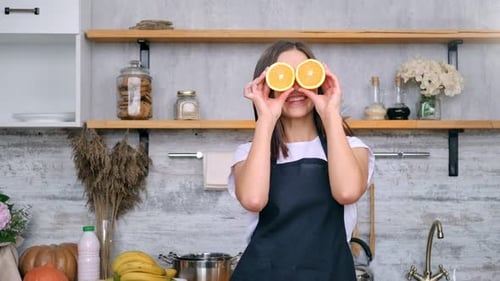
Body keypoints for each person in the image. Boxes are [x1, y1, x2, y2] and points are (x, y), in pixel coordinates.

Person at [227, 40, 375, 281]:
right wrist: (266, 116)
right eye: (284, 77)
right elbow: (254, 200)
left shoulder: (351, 148)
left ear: (318, 82)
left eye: (304, 76)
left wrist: (330, 112)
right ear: (268, 85)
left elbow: (347, 192)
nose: (295, 87)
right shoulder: (249, 152)